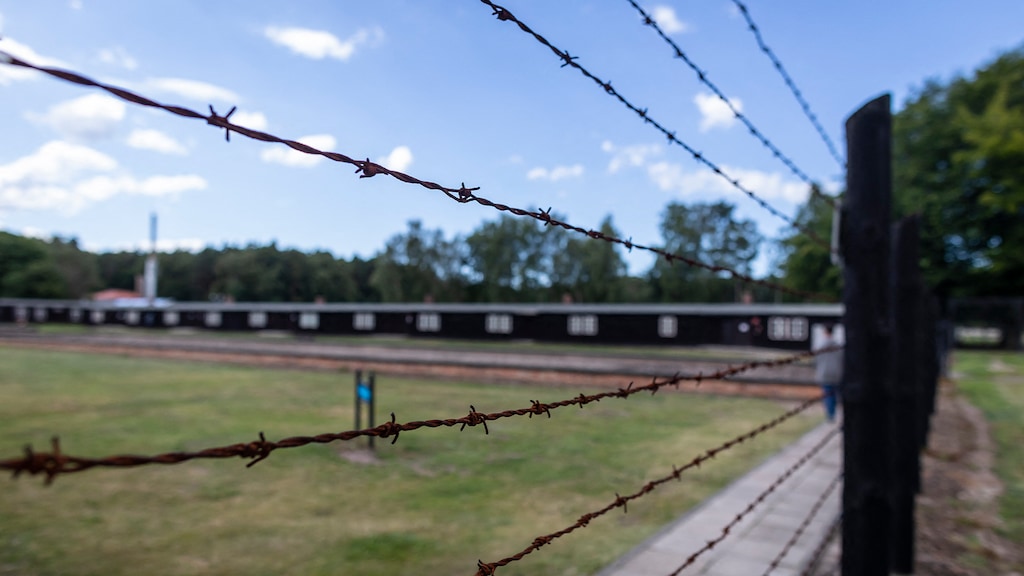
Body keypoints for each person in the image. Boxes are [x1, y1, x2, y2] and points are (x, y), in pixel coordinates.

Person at [814, 324, 843, 421]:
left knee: (828, 395)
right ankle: (833, 412)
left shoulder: (821, 347)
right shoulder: (838, 347)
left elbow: (817, 360)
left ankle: (830, 415)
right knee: (835, 395)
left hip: (825, 373)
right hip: (837, 373)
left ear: (825, 332)